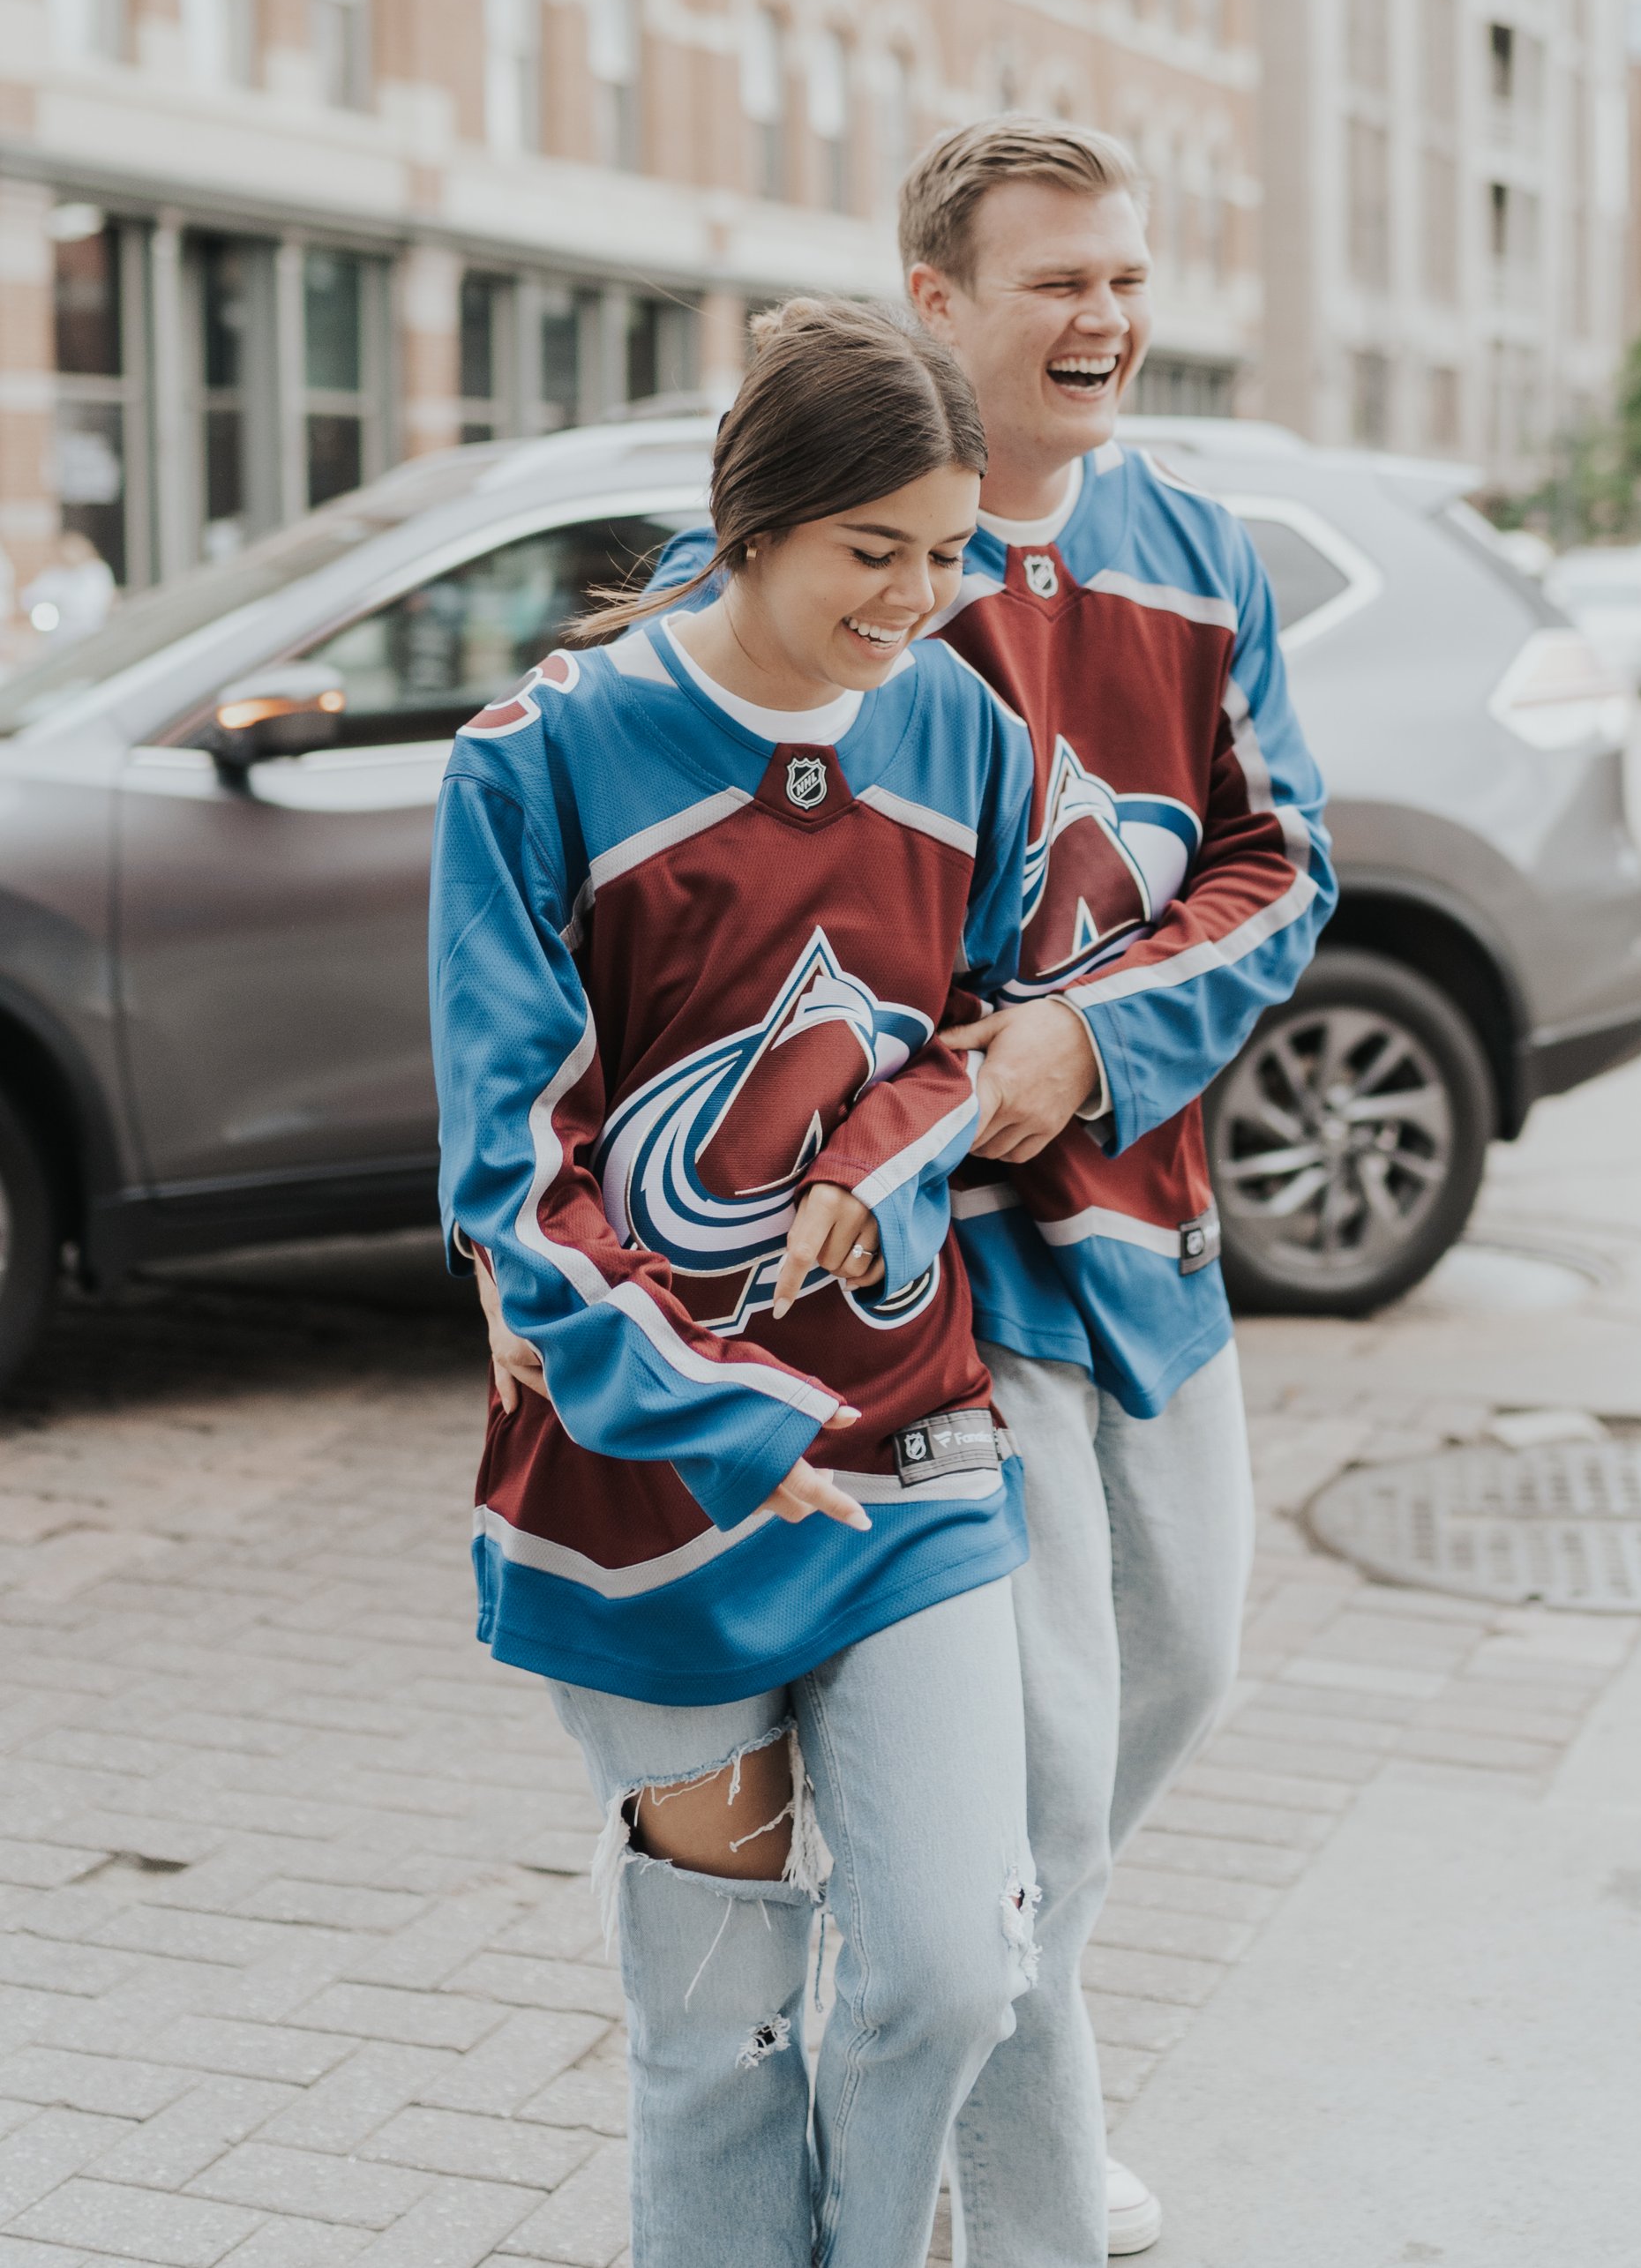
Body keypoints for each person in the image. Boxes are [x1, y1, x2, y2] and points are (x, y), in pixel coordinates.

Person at [602, 123, 1335, 2264]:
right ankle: (1004, 2174)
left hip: (1152, 1240)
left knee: (1167, 1682)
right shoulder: (791, 564)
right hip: (928, 1289)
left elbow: (1274, 862)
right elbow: (693, 879)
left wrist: (1083, 1042)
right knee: (1026, 1778)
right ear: (934, 302)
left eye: (1125, 276)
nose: (1104, 317)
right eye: (1054, 283)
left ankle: (971, 2027)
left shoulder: (1200, 556)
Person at [435, 301, 1048, 2268]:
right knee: (717, 2028)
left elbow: (1006, 1018)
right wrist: (711, 1414)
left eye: (948, 553)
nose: (914, 600)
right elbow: (506, 1174)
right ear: (754, 517)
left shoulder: (965, 731)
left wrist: (892, 1146)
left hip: (913, 1446)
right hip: (659, 1484)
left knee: (952, 1968)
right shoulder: (540, 762)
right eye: (872, 550)